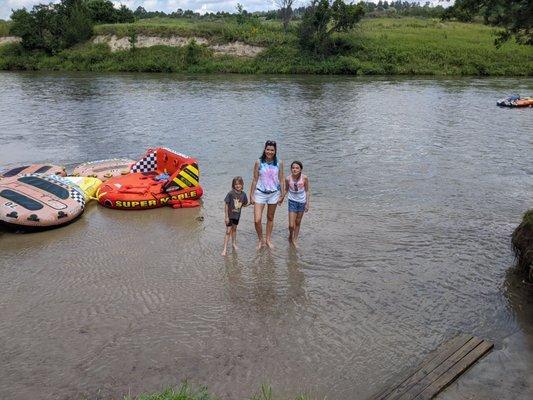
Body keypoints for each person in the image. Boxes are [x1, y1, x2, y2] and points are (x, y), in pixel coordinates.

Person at [249, 140, 285, 249]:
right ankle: (261, 240)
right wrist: (251, 195)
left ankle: (268, 239)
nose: (269, 152)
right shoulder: (259, 162)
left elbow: (282, 179)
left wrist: (282, 195)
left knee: (270, 217)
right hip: (260, 193)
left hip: (274, 194)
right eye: (268, 149)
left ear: (275, 151)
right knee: (257, 219)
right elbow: (255, 179)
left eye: (272, 150)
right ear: (264, 150)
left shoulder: (279, 163)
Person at [285, 161, 309, 247]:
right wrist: (281, 198)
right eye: (293, 168)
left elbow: (307, 190)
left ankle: (295, 239)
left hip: (302, 202)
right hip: (292, 201)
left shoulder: (304, 178)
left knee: (298, 222)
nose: (294, 169)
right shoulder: (288, 178)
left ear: (300, 169)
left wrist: (307, 203)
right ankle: (291, 234)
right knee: (291, 225)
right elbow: (286, 189)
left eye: (297, 168)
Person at [222, 176, 248, 256]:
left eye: (239, 184)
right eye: (236, 184)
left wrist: (251, 203)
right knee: (228, 231)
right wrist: (226, 216)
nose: (238, 186)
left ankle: (233, 243)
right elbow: (226, 204)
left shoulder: (244, 194)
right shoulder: (230, 193)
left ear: (242, 185)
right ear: (233, 185)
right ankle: (225, 249)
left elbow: (244, 204)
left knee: (234, 229)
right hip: (230, 216)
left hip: (237, 216)